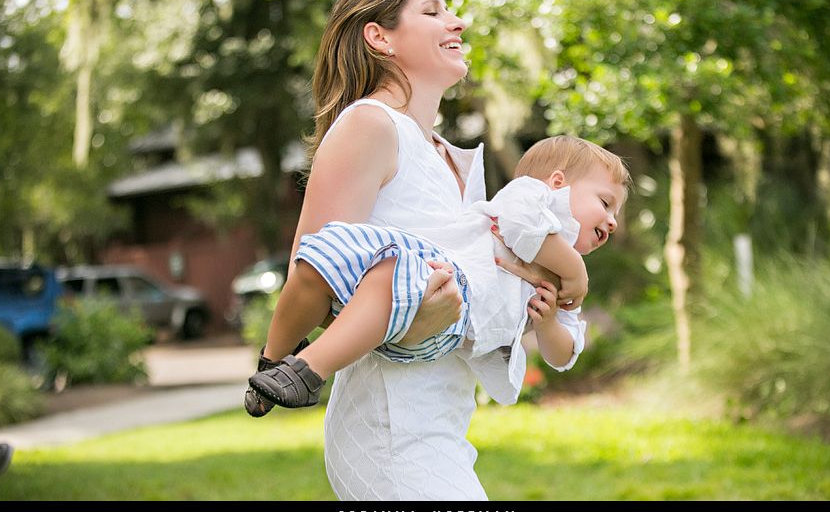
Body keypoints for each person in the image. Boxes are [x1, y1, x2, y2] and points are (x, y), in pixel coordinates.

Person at [246, 0, 604, 500]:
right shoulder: (370, 125)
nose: (457, 22)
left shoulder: (450, 158)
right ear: (380, 38)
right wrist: (414, 325)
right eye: (433, 12)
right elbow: (316, 276)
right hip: (388, 428)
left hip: (442, 423)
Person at [245, 135, 629, 413]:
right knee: (325, 252)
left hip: (449, 305)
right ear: (557, 184)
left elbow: (564, 355)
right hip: (435, 264)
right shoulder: (533, 199)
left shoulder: (565, 287)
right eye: (605, 202)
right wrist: (575, 270)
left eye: (615, 214)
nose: (611, 221)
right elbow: (516, 224)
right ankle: (273, 362)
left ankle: (310, 371)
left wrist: (547, 326)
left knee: (389, 270)